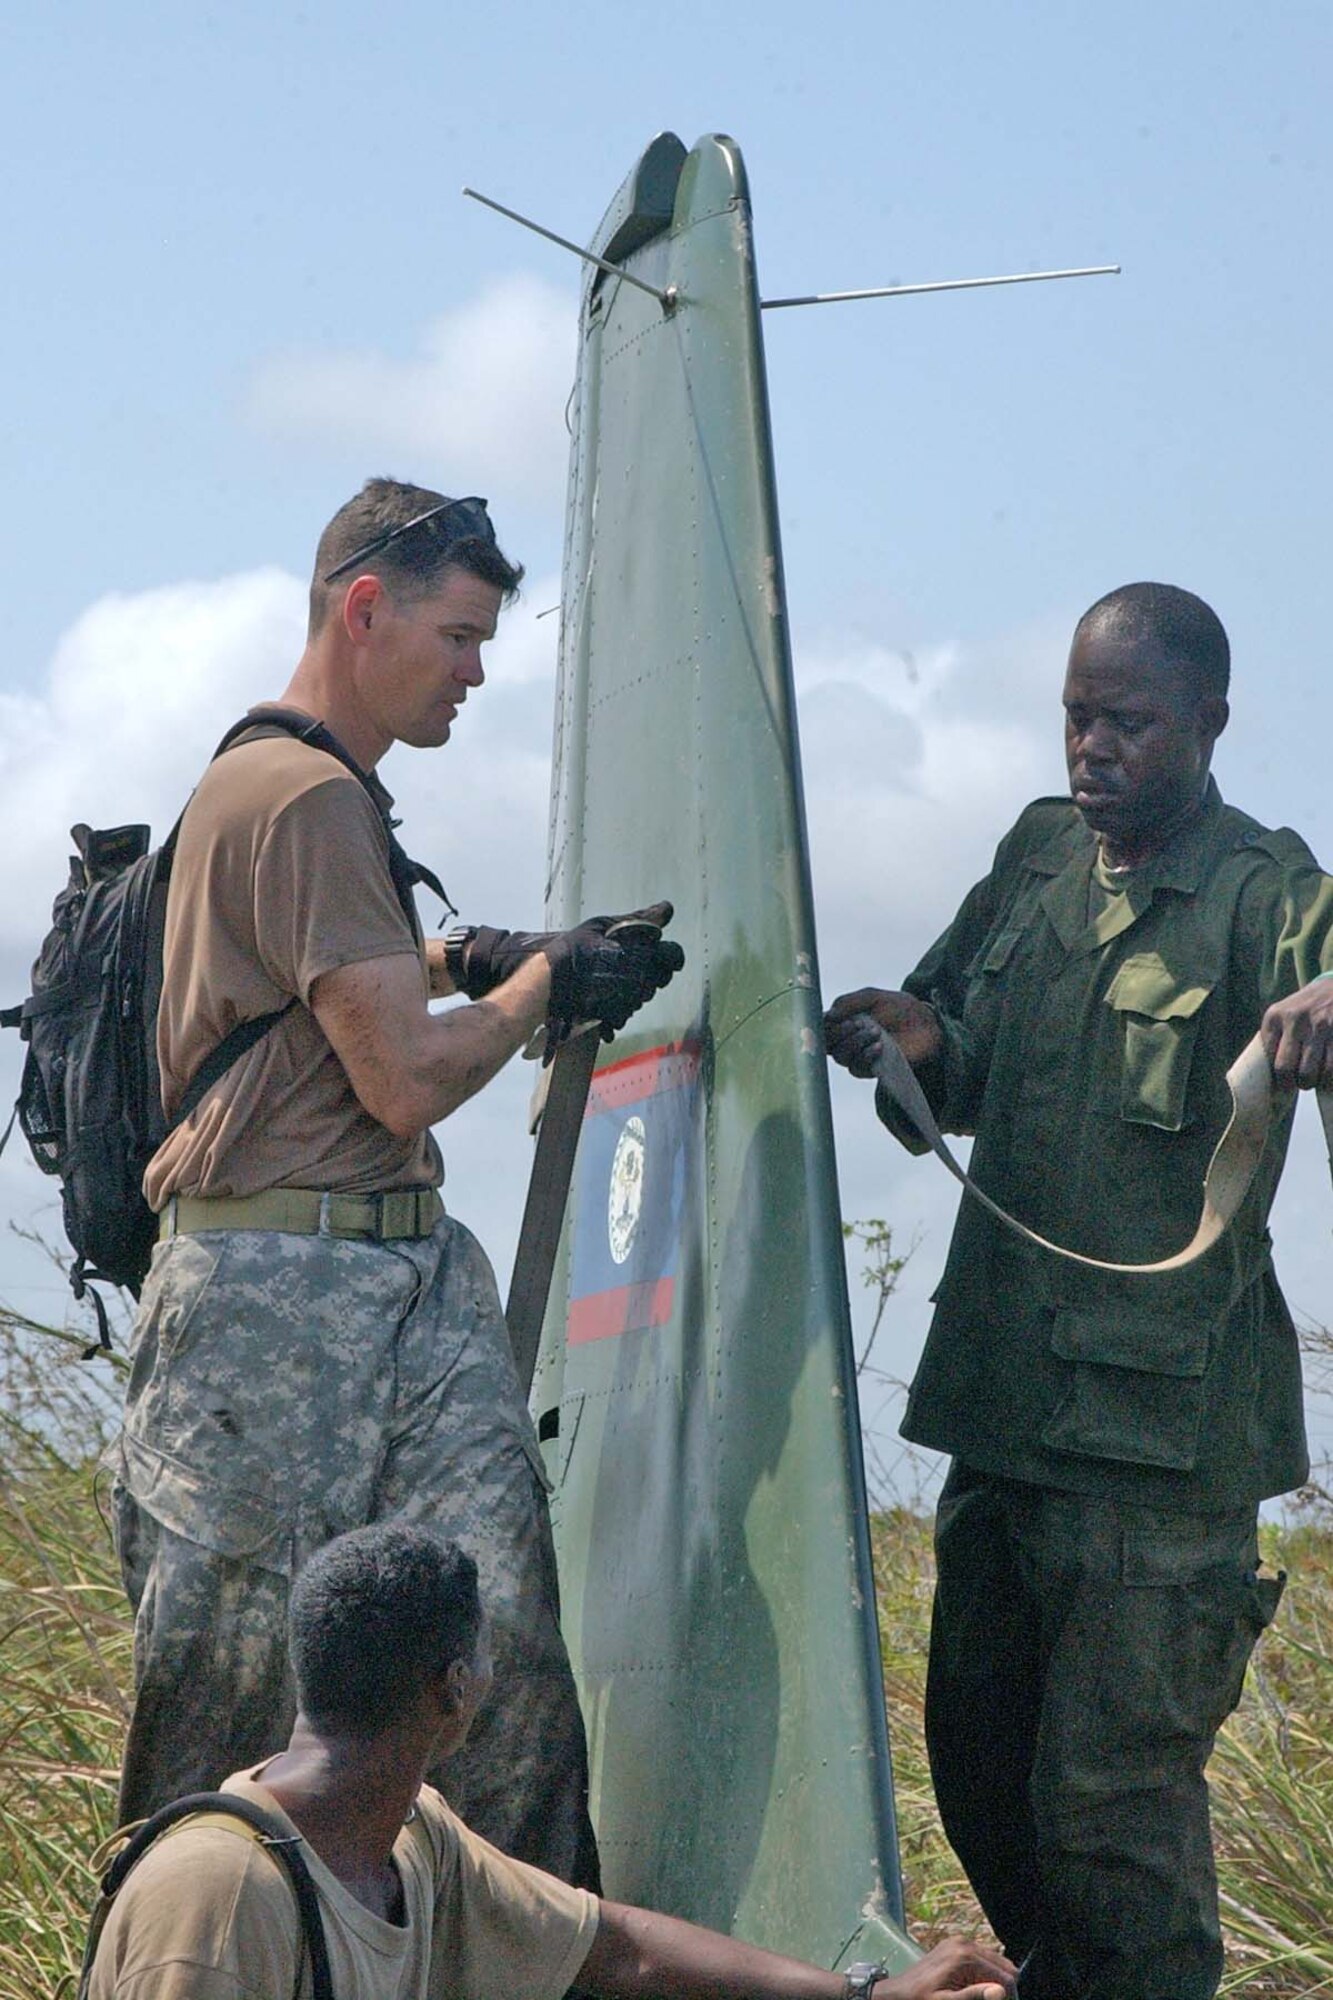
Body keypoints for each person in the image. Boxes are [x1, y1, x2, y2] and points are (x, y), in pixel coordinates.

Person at [106, 478, 683, 1887]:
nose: (478, 671)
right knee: (227, 1735)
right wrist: (552, 982)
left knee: (489, 1683)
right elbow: (407, 1085)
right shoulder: (294, 791)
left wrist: (469, 955)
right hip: (271, 1306)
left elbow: (329, 986)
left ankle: (532, 1961)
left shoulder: (319, 791)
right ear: (364, 609)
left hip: (393, 1277)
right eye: (461, 636)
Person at [825, 582, 1333, 2000]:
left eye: (1129, 722)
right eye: (1075, 716)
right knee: (976, 1755)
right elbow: (957, 1043)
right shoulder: (1040, 858)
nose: (1092, 749)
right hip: (1007, 1410)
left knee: (1111, 1813)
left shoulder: (1263, 890)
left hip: (1158, 1454)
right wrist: (910, 1037)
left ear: (1208, 724)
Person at [86, 1521, 1016, 2000]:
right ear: (452, 1689)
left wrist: (868, 1993)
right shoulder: (216, 1895)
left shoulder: (409, 1834)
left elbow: (612, 1948)